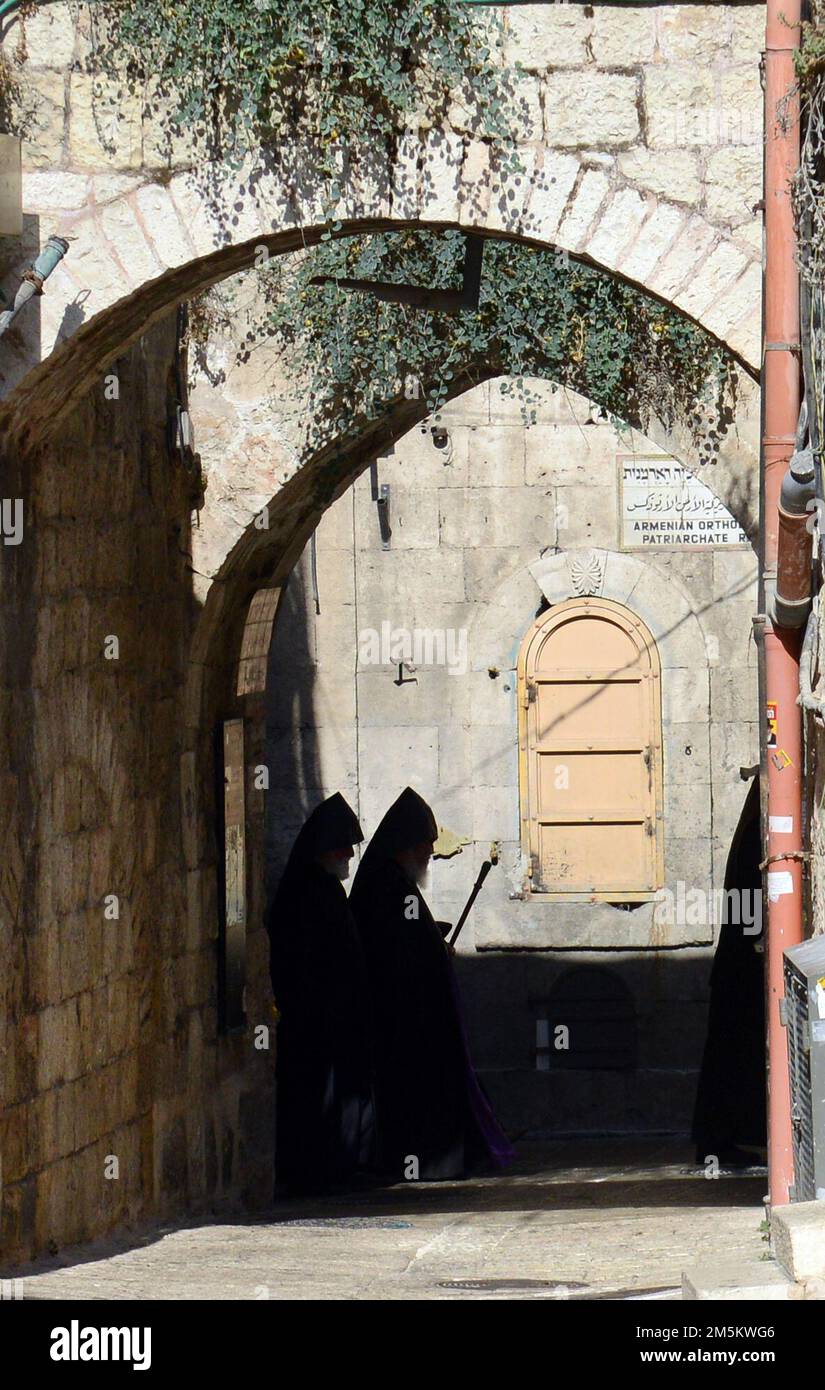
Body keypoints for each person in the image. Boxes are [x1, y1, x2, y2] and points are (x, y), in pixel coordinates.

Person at [349, 786, 513, 1182]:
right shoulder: (386, 886)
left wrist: (433, 949)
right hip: (402, 1016)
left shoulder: (394, 882)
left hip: (416, 1012)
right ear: (404, 846)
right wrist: (434, 953)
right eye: (424, 847)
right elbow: (394, 952)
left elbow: (412, 940)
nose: (428, 855)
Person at [267, 793, 375, 1194]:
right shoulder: (305, 893)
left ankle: (340, 1164)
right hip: (314, 1020)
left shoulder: (324, 888)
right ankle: (318, 1170)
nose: (348, 854)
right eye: (343, 846)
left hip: (336, 1017)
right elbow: (302, 960)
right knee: (316, 1096)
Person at [692, 777, 766, 1168]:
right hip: (744, 968)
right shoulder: (759, 837)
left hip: (737, 966)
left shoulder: (749, 834)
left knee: (728, 1055)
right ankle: (718, 1141)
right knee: (733, 1056)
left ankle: (720, 1139)